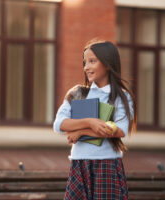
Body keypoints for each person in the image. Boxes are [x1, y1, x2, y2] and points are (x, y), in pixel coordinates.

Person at [53, 39, 137, 200]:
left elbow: (120, 130)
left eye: (92, 61)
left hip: (107, 165)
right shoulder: (77, 93)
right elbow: (59, 124)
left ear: (107, 63)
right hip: (79, 164)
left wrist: (80, 132)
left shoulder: (121, 96)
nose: (86, 67)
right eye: (85, 62)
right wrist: (89, 122)